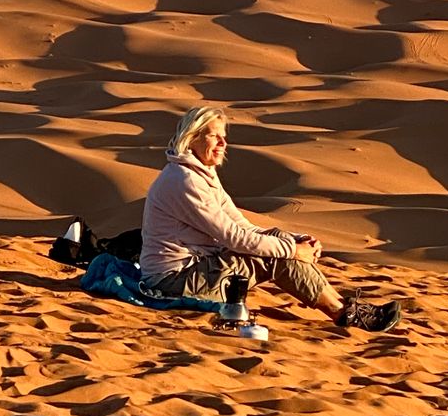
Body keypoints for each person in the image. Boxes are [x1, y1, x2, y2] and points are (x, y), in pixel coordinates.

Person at [140, 105, 400, 332]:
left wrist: (292, 240)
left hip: (197, 269)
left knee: (276, 242)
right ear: (192, 137)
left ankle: (345, 306)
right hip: (175, 280)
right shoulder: (184, 181)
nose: (222, 144)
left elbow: (241, 225)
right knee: (276, 257)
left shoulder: (201, 173)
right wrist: (292, 251)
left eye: (224, 137)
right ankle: (344, 314)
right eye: (214, 136)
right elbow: (233, 237)